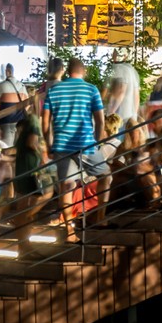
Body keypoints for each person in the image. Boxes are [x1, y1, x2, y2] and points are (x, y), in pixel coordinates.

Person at [44, 59, 110, 235]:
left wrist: (49, 144)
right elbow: (100, 121)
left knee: (66, 186)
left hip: (61, 145)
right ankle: (100, 218)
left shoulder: (54, 90)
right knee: (106, 176)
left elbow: (45, 122)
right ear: (84, 71)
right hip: (85, 145)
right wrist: (95, 141)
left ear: (67, 71)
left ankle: (69, 231)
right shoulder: (91, 90)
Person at [0, 65, 28, 145]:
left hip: (6, 122)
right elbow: (27, 103)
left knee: (7, 146)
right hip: (20, 121)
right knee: (19, 147)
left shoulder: (1, 85)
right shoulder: (22, 86)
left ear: (7, 71)